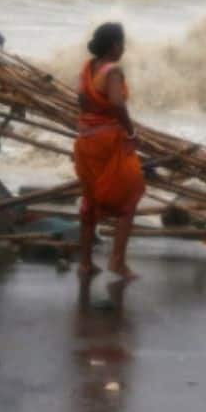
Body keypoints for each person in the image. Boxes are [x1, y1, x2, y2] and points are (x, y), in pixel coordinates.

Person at [74, 22, 146, 280]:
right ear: (114, 45)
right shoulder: (113, 71)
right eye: (122, 43)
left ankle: (84, 263)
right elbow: (117, 103)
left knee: (90, 199)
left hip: (85, 142)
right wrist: (131, 132)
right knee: (131, 195)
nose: (124, 48)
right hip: (110, 143)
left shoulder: (87, 68)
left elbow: (81, 101)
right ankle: (117, 261)